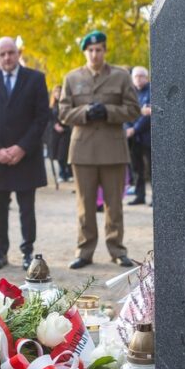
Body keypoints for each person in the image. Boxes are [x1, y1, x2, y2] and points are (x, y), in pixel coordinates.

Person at [59, 30, 140, 269]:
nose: (95, 54)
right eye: (91, 50)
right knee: (85, 204)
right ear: (85, 52)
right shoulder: (72, 78)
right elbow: (63, 112)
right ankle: (84, 251)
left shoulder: (121, 76)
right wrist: (84, 112)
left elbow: (133, 109)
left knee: (114, 204)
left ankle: (117, 249)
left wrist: (108, 111)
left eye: (99, 50)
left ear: (105, 51)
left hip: (113, 149)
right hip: (83, 151)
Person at [0, 37, 49, 271]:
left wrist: (21, 147)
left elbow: (41, 118)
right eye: (2, 54)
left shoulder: (35, 79)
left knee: (27, 209)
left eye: (11, 53)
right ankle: (0, 253)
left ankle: (28, 253)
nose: (7, 57)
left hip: (26, 156)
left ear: (18, 53)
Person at [125, 66, 151, 205]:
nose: (139, 78)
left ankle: (156, 198)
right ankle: (140, 196)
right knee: (137, 168)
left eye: (142, 76)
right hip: (134, 138)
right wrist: (128, 128)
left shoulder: (152, 91)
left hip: (147, 136)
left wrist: (134, 129)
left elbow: (148, 116)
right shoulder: (130, 93)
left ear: (147, 77)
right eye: (136, 76)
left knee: (152, 168)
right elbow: (126, 112)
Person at [47, 84, 73, 183]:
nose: (58, 94)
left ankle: (69, 172)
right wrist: (55, 125)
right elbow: (49, 118)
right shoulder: (52, 105)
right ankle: (62, 173)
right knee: (58, 155)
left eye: (59, 92)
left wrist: (64, 126)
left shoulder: (66, 104)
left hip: (66, 131)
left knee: (65, 153)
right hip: (55, 133)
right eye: (56, 92)